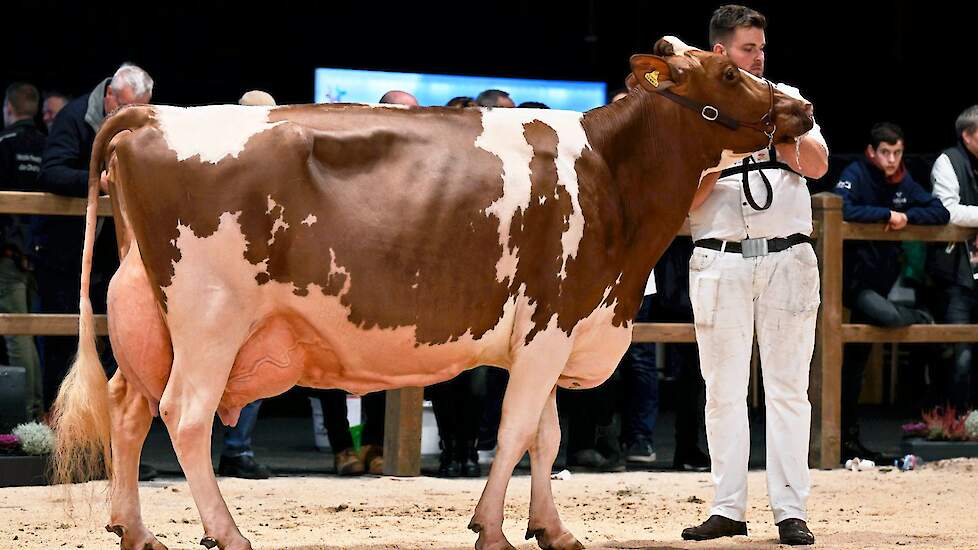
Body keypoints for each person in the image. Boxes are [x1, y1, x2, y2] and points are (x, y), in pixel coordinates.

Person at [681, 6, 828, 546]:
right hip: (719, 258)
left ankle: (791, 511)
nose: (759, 56)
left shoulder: (785, 97)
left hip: (788, 257)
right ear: (720, 52)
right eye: (748, 48)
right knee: (722, 390)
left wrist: (776, 134)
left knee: (789, 389)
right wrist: (729, 148)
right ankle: (728, 508)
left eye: (762, 47)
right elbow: (686, 201)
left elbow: (817, 165)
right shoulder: (692, 112)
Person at [37, 62, 157, 480]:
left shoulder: (129, 120)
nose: (130, 117)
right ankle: (65, 447)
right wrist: (100, 181)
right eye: (126, 108)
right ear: (110, 98)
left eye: (140, 110)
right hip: (64, 255)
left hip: (110, 255)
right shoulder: (73, 118)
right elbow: (50, 172)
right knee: (62, 344)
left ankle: (110, 448)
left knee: (113, 345)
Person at [834, 122, 948, 461]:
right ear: (872, 152)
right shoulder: (856, 173)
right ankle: (922, 317)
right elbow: (839, 206)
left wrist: (905, 216)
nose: (892, 159)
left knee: (856, 363)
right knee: (882, 320)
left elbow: (938, 212)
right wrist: (887, 214)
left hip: (880, 280)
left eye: (897, 152)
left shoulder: (903, 179)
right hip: (849, 281)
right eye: (886, 152)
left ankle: (849, 438)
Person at [215, 90, 280, 480]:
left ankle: (237, 449)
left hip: (257, 276)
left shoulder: (274, 158)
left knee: (253, 361)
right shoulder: (218, 155)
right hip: (220, 273)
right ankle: (227, 449)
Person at [0, 83, 45, 418]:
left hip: (9, 255)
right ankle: (36, 411)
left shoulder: (4, 145)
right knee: (32, 332)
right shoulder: (47, 147)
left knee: (18, 335)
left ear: (8, 109)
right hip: (38, 253)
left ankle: (27, 416)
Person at [929, 105, 978, 411]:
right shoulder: (949, 161)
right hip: (958, 275)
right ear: (967, 135)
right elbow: (946, 211)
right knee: (960, 354)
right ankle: (957, 425)